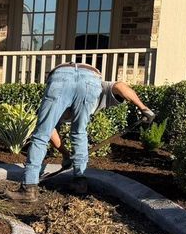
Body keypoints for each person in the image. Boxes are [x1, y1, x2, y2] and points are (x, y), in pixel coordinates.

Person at [12, 62, 155, 201]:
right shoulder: (100, 90)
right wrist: (143, 108)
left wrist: (65, 154)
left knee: (41, 135)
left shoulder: (101, 92)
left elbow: (49, 131)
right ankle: (80, 182)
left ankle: (29, 188)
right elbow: (120, 86)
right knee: (79, 133)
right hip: (90, 79)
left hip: (61, 77)